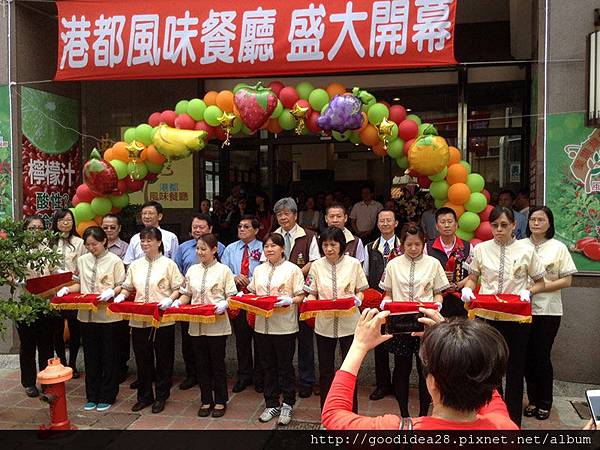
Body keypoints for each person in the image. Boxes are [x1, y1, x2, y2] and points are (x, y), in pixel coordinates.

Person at [321, 308, 517, 430]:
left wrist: (359, 346)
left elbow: (333, 414)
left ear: (431, 383)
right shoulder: (503, 427)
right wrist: (453, 342)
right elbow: (483, 374)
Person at [462, 206, 546, 426]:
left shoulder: (526, 251)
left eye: (504, 225)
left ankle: (513, 422)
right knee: (488, 369)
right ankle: (490, 419)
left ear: (514, 226)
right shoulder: (480, 250)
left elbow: (540, 282)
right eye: (495, 225)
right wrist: (469, 288)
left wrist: (529, 291)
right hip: (486, 316)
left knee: (515, 369)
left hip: (516, 319)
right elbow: (473, 277)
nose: (499, 230)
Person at [379, 224, 450, 418]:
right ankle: (403, 413)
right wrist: (385, 304)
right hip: (400, 322)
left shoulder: (433, 263)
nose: (413, 248)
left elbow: (438, 293)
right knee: (401, 368)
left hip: (425, 321)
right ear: (402, 244)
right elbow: (388, 293)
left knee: (424, 369)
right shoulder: (393, 264)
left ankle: (423, 414)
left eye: (417, 244)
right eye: (408, 244)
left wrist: (438, 305)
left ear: (423, 243)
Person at [55, 226, 125, 412]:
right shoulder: (83, 260)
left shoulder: (115, 261)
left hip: (108, 316)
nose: (91, 248)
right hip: (86, 315)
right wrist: (67, 290)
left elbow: (121, 285)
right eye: (88, 245)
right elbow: (79, 283)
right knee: (91, 357)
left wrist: (112, 292)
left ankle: (108, 394)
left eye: (94, 244)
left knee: (109, 356)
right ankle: (92, 395)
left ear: (103, 241)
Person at [115, 227, 184, 414]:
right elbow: (127, 287)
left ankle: (161, 396)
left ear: (159, 242)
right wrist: (121, 296)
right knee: (142, 357)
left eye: (149, 240)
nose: (145, 244)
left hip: (162, 317)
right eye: (142, 240)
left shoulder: (169, 264)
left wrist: (170, 299)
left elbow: (179, 288)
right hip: (139, 318)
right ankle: (144, 396)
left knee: (163, 358)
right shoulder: (135, 265)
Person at [304, 227, 368, 412]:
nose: (329, 248)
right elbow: (311, 292)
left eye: (333, 244)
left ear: (341, 245)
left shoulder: (354, 264)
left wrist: (358, 299)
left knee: (349, 369)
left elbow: (361, 290)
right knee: (325, 371)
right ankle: (327, 412)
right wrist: (310, 301)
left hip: (349, 323)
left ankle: (351, 412)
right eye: (325, 245)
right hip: (324, 324)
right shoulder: (316, 265)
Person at [523, 206, 577, 421]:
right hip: (521, 309)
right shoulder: (520, 246)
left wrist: (538, 287)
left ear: (549, 223)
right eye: (533, 219)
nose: (536, 223)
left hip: (548, 310)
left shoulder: (558, 248)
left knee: (541, 356)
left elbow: (567, 280)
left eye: (541, 220)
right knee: (526, 356)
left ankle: (545, 402)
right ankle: (532, 400)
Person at [248, 233, 305, 425]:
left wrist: (290, 300)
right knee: (267, 365)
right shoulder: (258, 270)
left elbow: (300, 295)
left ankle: (288, 403)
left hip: (285, 327)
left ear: (282, 249)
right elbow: (252, 292)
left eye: (274, 246)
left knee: (285, 366)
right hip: (262, 326)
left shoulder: (293, 270)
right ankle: (271, 402)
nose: (269, 249)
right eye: (266, 246)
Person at [178, 234, 237, 418]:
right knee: (200, 363)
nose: (200, 252)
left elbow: (232, 296)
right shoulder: (192, 270)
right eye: (197, 248)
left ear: (214, 250)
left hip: (217, 324)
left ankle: (220, 400)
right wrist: (178, 303)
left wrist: (225, 304)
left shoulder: (224, 270)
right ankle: (205, 400)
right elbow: (186, 294)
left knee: (217, 363)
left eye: (204, 249)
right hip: (196, 324)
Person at [272, 197, 321, 398]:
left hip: (301, 293)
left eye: (286, 213)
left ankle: (306, 380)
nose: (283, 217)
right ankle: (283, 380)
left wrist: (295, 272)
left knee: (304, 340)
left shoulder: (308, 236)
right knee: (281, 340)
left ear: (295, 215)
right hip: (278, 295)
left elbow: (316, 261)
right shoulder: (272, 236)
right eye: (279, 214)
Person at [173, 213, 225, 391]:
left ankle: (216, 388)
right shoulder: (183, 248)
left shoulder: (222, 251)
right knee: (190, 343)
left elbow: (225, 280)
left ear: (210, 229)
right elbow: (178, 271)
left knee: (215, 351)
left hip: (214, 306)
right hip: (191, 303)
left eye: (201, 227)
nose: (197, 230)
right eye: (194, 227)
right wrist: (179, 301)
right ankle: (192, 375)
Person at [221, 215, 264, 393]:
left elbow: (267, 269)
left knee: (260, 340)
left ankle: (261, 377)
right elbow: (223, 271)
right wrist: (234, 276)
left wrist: (252, 281)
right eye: (240, 226)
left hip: (257, 299)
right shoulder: (231, 249)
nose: (242, 229)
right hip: (238, 299)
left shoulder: (264, 247)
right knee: (242, 340)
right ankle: (244, 375)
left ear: (256, 230)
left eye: (246, 226)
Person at [362, 209, 400, 401]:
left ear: (396, 223)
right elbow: (366, 276)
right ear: (377, 224)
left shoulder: (405, 246)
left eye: (388, 220)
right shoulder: (370, 247)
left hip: (401, 302)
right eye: (381, 221)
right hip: (379, 303)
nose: (385, 223)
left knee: (402, 343)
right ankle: (382, 384)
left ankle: (400, 384)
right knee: (380, 345)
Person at [16, 216, 55, 397]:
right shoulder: (17, 251)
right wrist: (18, 280)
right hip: (24, 304)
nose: (36, 232)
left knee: (47, 344)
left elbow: (54, 273)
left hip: (45, 303)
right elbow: (9, 273)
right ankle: (29, 382)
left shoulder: (48, 251)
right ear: (25, 230)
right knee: (28, 345)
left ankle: (46, 379)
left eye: (39, 228)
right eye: (32, 228)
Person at [50, 208, 85, 378]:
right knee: (56, 328)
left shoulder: (79, 242)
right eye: (61, 220)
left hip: (72, 289)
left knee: (74, 327)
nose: (65, 223)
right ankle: (62, 361)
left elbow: (83, 265)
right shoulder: (49, 241)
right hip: (54, 290)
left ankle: (73, 364)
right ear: (55, 223)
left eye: (69, 220)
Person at [424, 207, 472, 318]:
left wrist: (458, 285)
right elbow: (423, 274)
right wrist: (440, 279)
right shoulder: (427, 247)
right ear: (436, 226)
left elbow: (473, 274)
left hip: (461, 300)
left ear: (456, 225)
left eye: (450, 222)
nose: (446, 225)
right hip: (437, 300)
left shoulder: (468, 247)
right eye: (442, 222)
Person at [101, 214, 130, 383]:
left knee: (120, 334)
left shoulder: (125, 248)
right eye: (105, 227)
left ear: (119, 228)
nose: (109, 231)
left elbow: (127, 275)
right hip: (99, 299)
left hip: (120, 297)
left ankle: (121, 366)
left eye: (113, 227)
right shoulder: (95, 247)